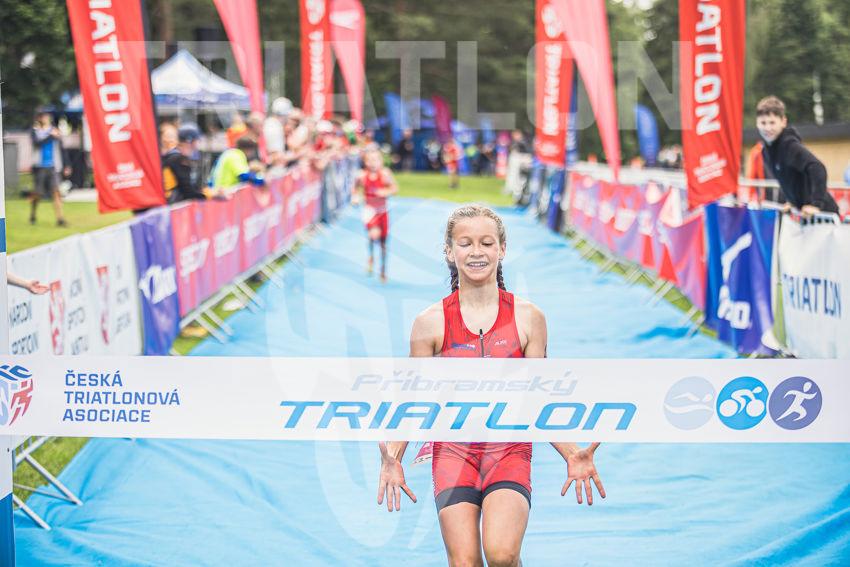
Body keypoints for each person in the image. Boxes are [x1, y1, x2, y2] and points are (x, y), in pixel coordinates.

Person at [377, 205, 604, 567]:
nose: (476, 252)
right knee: (465, 562)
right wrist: (393, 456)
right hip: (453, 452)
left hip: (509, 450)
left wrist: (571, 451)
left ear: (502, 249)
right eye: (465, 243)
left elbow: (539, 396)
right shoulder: (430, 322)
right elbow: (412, 398)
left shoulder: (529, 318)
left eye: (486, 242)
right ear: (449, 251)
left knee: (501, 554)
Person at [756, 96, 840, 218]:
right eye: (763, 123)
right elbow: (789, 179)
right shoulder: (766, 151)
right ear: (757, 123)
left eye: (772, 122)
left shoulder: (790, 145)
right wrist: (792, 201)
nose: (768, 128)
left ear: (783, 122)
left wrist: (816, 204)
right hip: (804, 214)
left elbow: (817, 167)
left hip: (823, 214)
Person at [352, 148, 398, 282]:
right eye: (370, 160)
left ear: (381, 161)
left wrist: (385, 192)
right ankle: (371, 256)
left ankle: (383, 268)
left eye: (376, 160)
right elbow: (355, 188)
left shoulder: (385, 174)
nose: (373, 163)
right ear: (365, 162)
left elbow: (394, 188)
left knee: (383, 242)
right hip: (369, 211)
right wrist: (355, 197)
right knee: (374, 235)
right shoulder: (361, 175)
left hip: (382, 211)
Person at [162, 123, 220, 203]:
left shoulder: (177, 156)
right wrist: (212, 195)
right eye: (197, 140)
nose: (198, 144)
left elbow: (190, 187)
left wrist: (207, 192)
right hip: (169, 204)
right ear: (190, 141)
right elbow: (188, 191)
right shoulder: (178, 158)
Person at [29, 111, 69, 226]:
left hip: (53, 166)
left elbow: (62, 149)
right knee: (37, 193)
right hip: (39, 167)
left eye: (46, 116)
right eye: (42, 116)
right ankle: (33, 214)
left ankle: (60, 219)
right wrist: (51, 136)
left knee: (56, 192)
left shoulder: (55, 130)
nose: (45, 118)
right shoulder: (35, 131)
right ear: (39, 118)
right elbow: (37, 143)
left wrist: (67, 164)